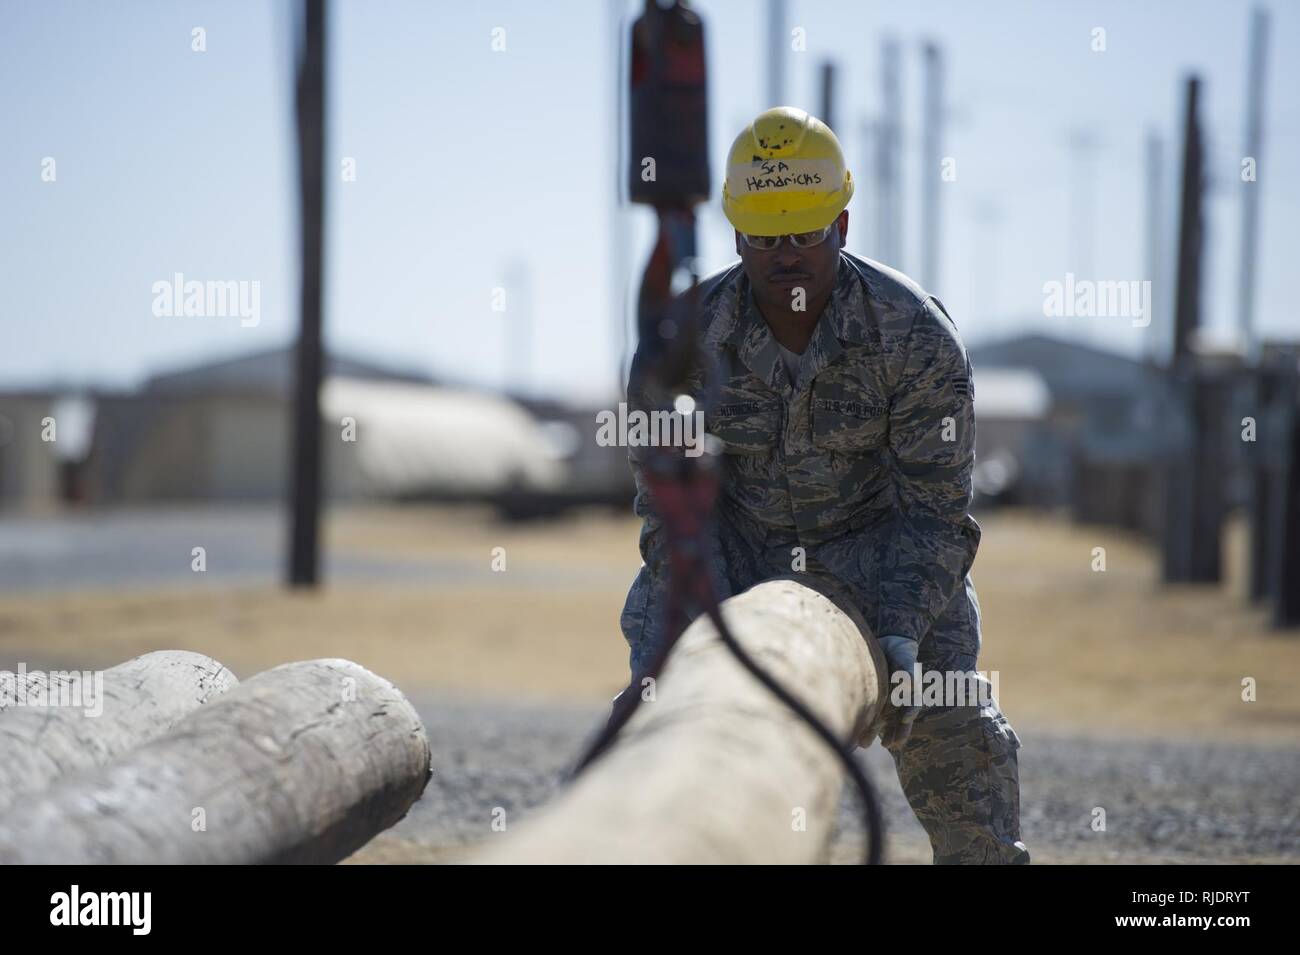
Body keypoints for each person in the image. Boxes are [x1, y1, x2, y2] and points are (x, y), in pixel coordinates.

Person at [619, 106, 1030, 864]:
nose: (785, 256)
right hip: (734, 558)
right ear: (736, 233)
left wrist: (901, 626)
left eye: (805, 234)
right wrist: (701, 617)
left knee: (956, 731)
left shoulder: (914, 336)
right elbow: (668, 512)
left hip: (888, 565)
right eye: (766, 237)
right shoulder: (682, 344)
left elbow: (936, 511)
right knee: (658, 719)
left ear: (842, 225)